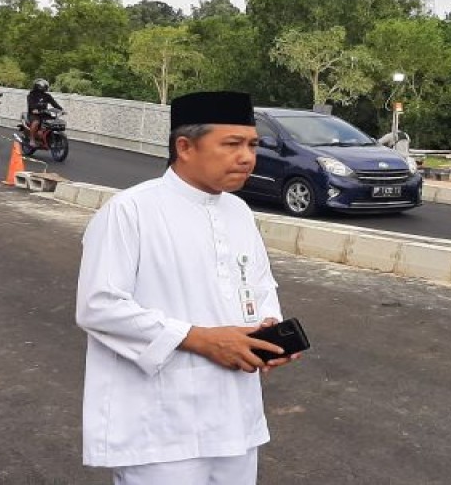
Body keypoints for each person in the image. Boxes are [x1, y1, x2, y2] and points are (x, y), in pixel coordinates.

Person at [76, 91, 299, 484]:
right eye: (231, 144)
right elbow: (99, 306)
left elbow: (261, 285)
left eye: (252, 144)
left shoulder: (239, 212)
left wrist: (269, 332)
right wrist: (199, 339)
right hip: (160, 427)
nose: (247, 156)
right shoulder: (130, 212)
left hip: (234, 418)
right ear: (185, 146)